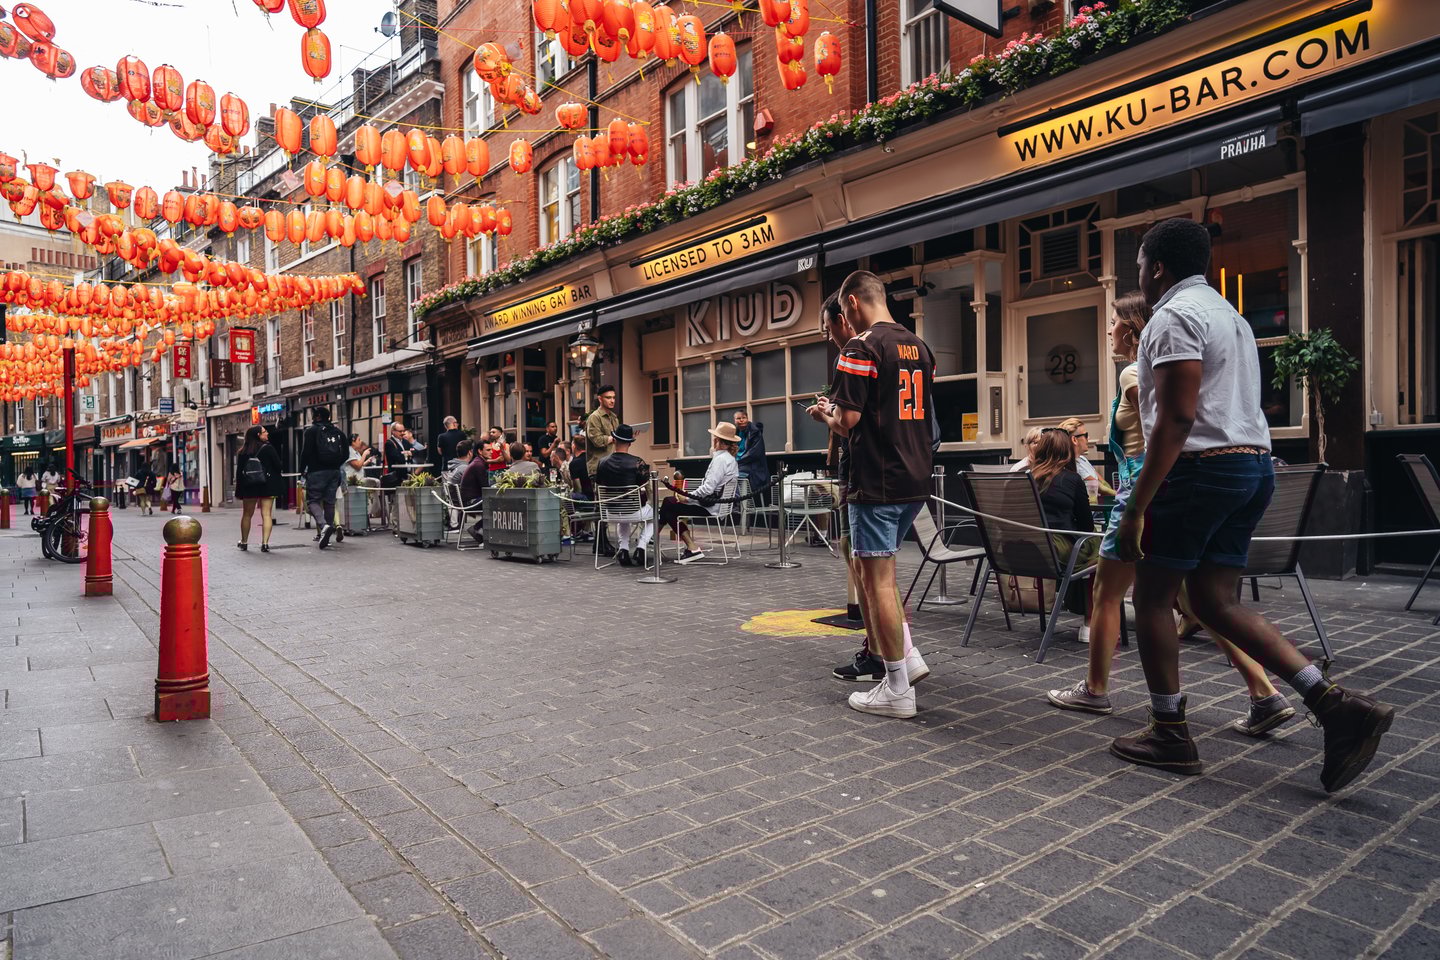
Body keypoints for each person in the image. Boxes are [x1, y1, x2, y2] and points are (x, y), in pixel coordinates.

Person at [1111, 217, 1391, 790]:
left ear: (1157, 266)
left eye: (1139, 263)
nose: (1137, 272)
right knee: (1214, 602)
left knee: (1152, 597)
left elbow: (1178, 417)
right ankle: (1334, 703)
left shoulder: (1173, 316)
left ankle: (1170, 733)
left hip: (1196, 471)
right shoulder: (1231, 316)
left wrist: (1138, 504)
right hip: (1251, 467)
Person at [1047, 292, 1293, 734]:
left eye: (1113, 321)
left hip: (1147, 485)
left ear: (1131, 328)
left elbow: (1171, 413)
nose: (1108, 330)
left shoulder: (1133, 371)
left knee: (1108, 593)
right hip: (1185, 480)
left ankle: (1097, 690)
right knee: (1199, 601)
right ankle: (1264, 692)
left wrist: (1137, 504)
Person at [812, 270, 934, 718]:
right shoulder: (919, 346)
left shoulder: (860, 348)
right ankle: (908, 656)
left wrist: (825, 416)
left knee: (876, 581)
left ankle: (897, 687)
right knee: (882, 575)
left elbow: (847, 423)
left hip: (877, 477)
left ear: (852, 304)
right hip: (914, 476)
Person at [658, 422, 740, 563]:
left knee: (668, 504)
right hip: (718, 505)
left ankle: (656, 538)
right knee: (669, 507)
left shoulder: (720, 460)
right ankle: (656, 538)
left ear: (718, 441)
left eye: (715, 438)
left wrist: (687, 498)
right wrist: (689, 496)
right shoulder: (730, 460)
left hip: (710, 506)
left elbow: (708, 488)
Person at [594, 423, 654, 567]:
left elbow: (598, 485)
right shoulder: (638, 462)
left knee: (623, 515)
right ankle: (641, 547)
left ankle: (623, 550)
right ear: (630, 443)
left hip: (610, 512)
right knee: (655, 516)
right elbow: (646, 485)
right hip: (633, 511)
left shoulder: (602, 463)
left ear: (614, 440)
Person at [299, 407, 350, 549]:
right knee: (329, 502)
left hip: (316, 471)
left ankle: (323, 526)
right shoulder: (338, 432)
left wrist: (302, 470)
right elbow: (346, 454)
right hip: (334, 472)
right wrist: (336, 464)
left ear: (318, 417)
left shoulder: (311, 431)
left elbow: (305, 452)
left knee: (312, 501)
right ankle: (327, 535)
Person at [235, 425, 283, 552]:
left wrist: (239, 490)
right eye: (264, 431)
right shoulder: (268, 448)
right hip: (267, 485)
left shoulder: (243, 452)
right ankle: (265, 543)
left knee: (247, 514)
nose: (267, 433)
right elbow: (279, 466)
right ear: (258, 435)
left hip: (249, 486)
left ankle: (244, 542)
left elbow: (239, 473)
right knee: (266, 514)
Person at [1056, 416, 1115, 500]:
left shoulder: (1082, 459)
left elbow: (1103, 483)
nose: (1088, 438)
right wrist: (1122, 496)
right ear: (1074, 440)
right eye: (1086, 435)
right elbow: (1101, 488)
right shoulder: (1071, 466)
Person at [734, 410, 770, 507]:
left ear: (747, 418)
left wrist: (737, 461)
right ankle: (737, 503)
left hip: (752, 467)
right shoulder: (735, 433)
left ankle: (737, 503)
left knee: (733, 476)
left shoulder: (754, 432)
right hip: (739, 464)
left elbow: (754, 453)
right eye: (738, 418)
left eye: (744, 418)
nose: (741, 420)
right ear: (734, 420)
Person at [584, 384, 619, 478]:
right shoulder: (594, 417)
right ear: (600, 399)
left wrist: (627, 437)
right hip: (598, 468)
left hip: (613, 466)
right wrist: (615, 437)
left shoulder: (614, 417)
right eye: (608, 398)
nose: (612, 401)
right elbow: (597, 441)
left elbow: (616, 442)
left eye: (613, 397)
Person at [459, 443, 489, 546]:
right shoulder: (478, 465)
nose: (491, 452)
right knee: (496, 504)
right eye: (488, 450)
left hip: (469, 500)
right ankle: (479, 529)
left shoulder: (477, 462)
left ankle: (479, 529)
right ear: (480, 451)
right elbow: (485, 488)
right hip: (471, 502)